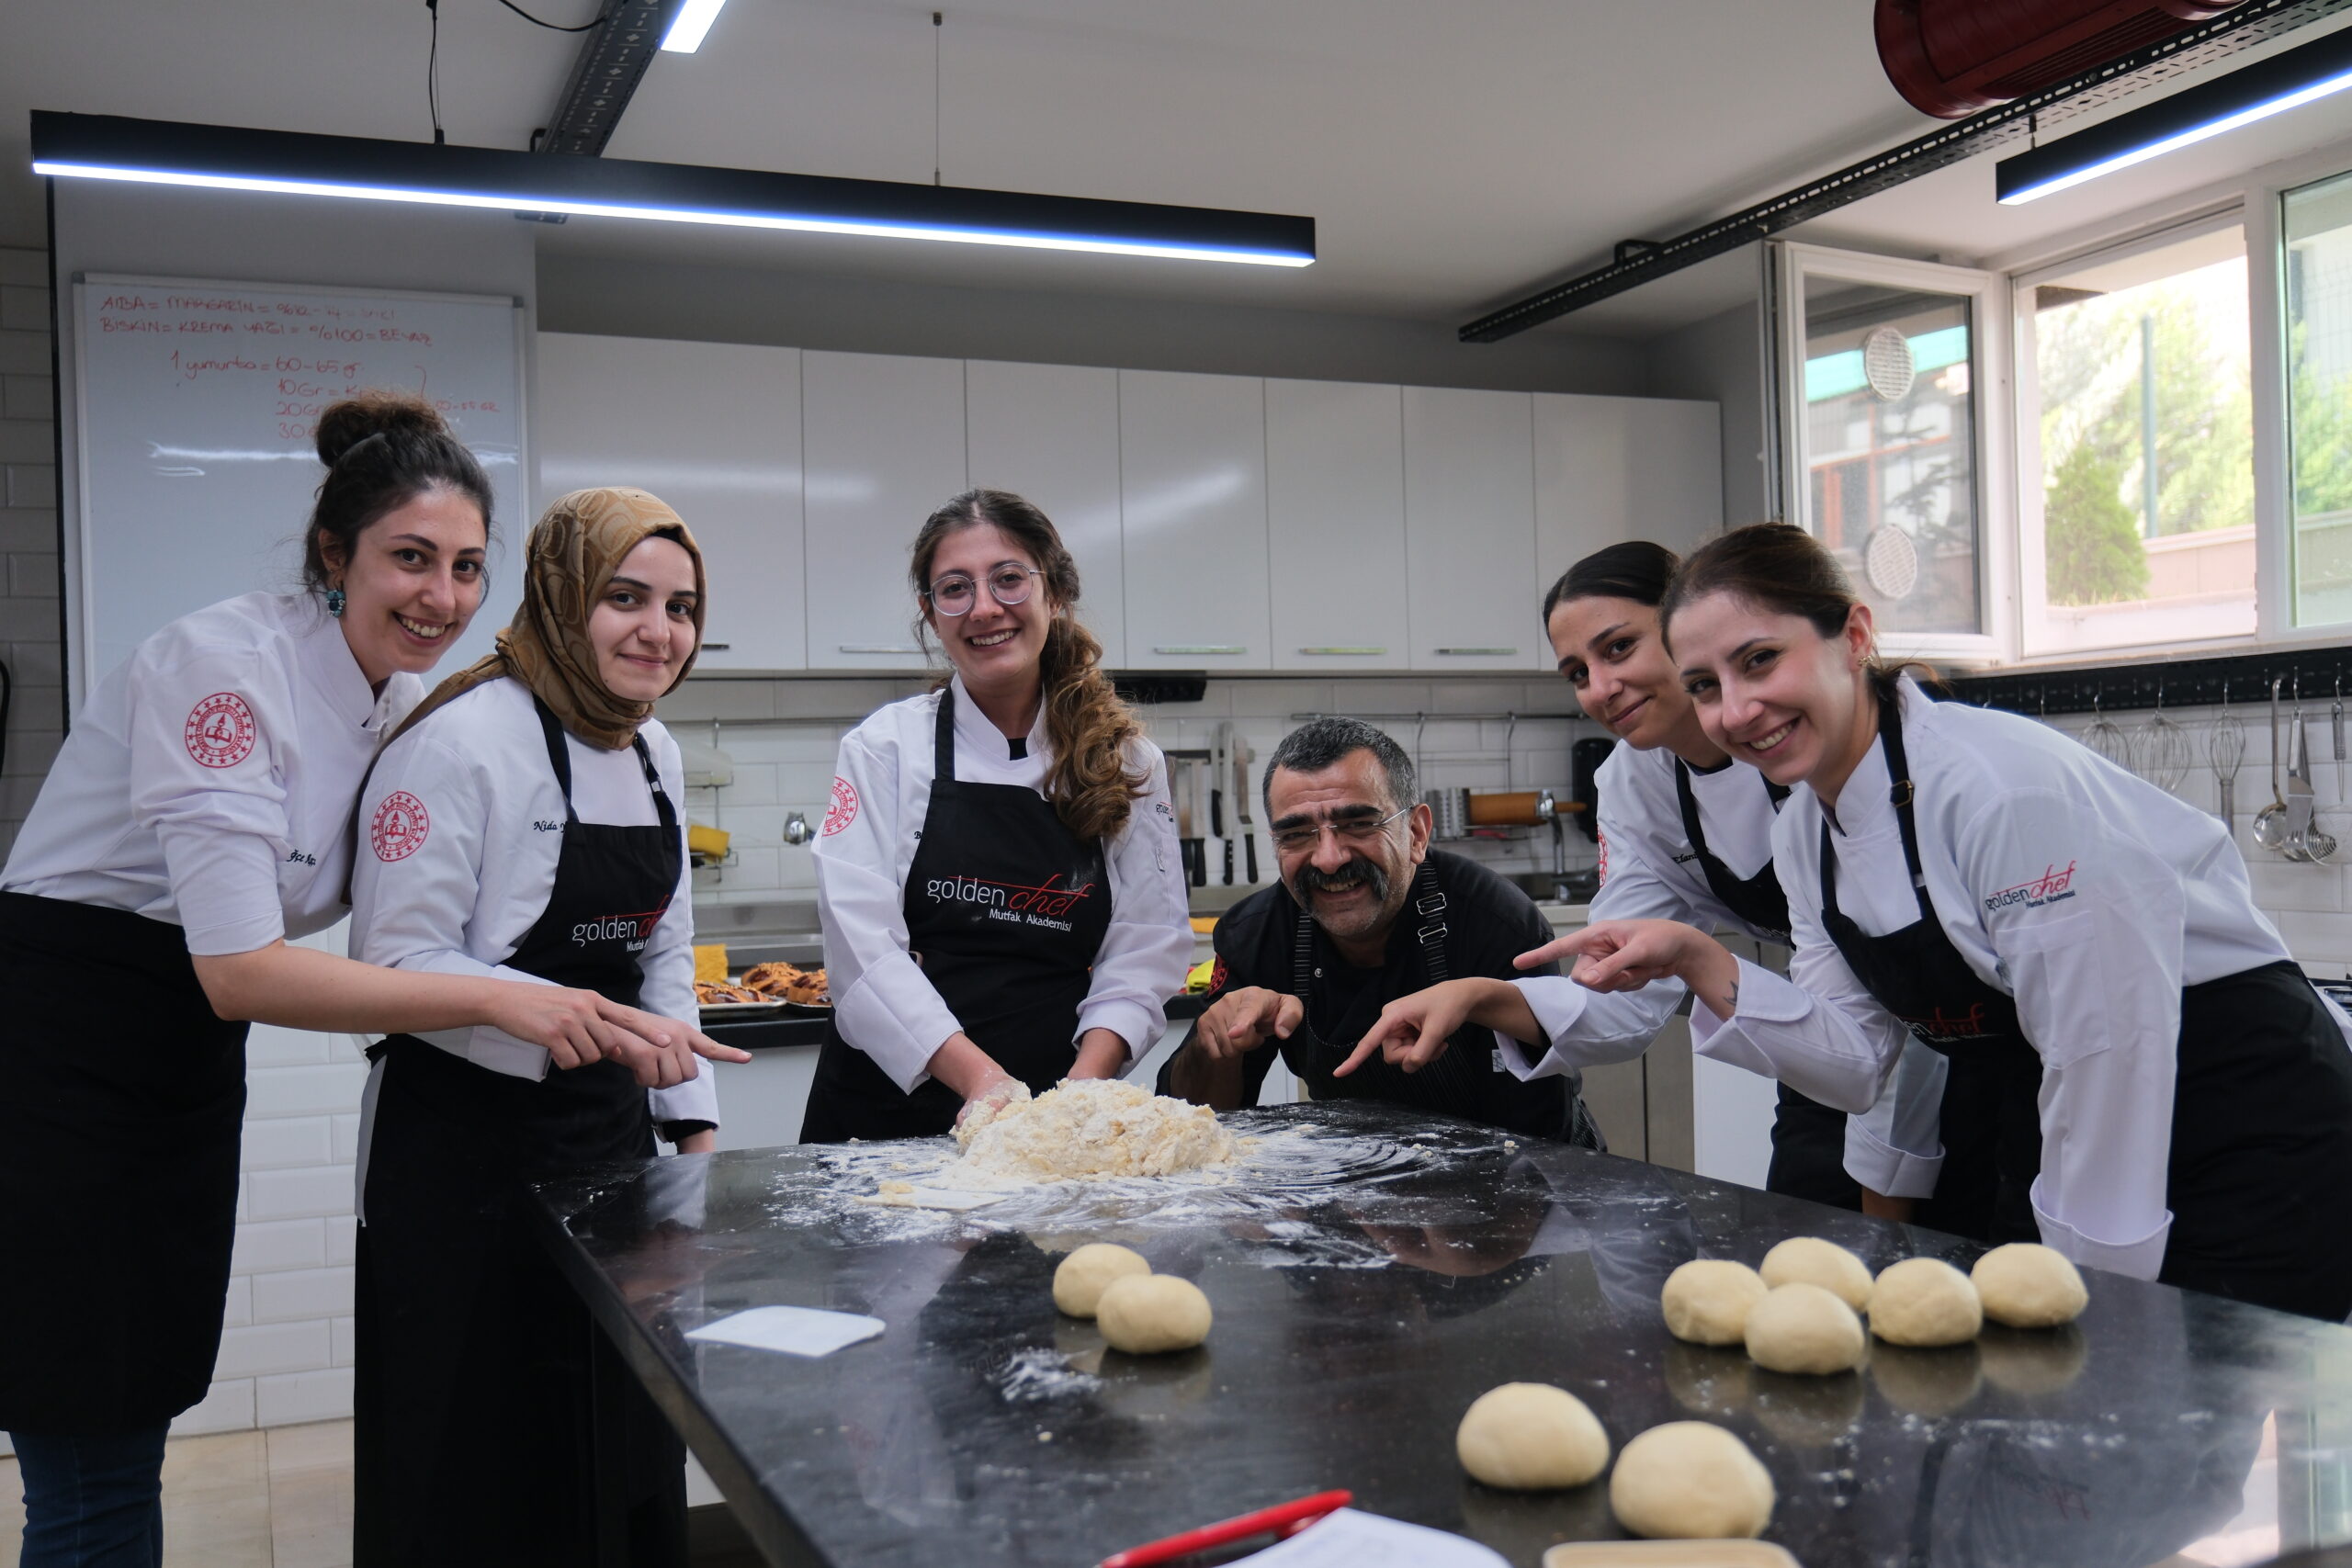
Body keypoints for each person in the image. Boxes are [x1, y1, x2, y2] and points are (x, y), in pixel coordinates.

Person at [0, 397, 723, 1567]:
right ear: (334, 555)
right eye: (409, 558)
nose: (440, 596)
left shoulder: (401, 700)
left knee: (140, 1399)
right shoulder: (221, 675)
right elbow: (239, 971)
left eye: (465, 568)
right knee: (91, 1438)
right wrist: (507, 997)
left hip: (174, 1057)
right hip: (61, 1046)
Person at [1552, 523, 2352, 1320]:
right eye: (1703, 684)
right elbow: (1854, 1059)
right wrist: (1699, 961)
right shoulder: (1805, 833)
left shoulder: (1996, 790)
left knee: (2175, 1394)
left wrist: (2098, 1298)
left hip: (2242, 1108)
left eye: (1759, 659)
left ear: (1854, 634)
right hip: (2069, 1104)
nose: (1735, 708)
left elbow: (2106, 1052)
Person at [346, 487, 746, 1565]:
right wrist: (548, 1021)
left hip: (607, 1145)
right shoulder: (462, 738)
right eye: (625, 597)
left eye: (681, 606)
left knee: (616, 1434)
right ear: (564, 598)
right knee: (479, 1457)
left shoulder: (653, 749)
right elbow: (391, 962)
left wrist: (691, 1131)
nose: (658, 631)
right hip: (461, 1158)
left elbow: (660, 953)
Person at [1340, 542, 1926, 1207]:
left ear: (1686, 624)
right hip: (1824, 1035)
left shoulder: (1823, 753)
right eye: (1576, 672)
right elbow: (1624, 996)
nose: (1598, 688)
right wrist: (1478, 996)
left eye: (1618, 648)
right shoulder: (1632, 780)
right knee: (1811, 1247)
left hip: (1941, 1028)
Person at [802, 489, 1191, 1139]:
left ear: (1056, 593)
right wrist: (982, 1082)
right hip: (882, 1119)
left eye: (1008, 579)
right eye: (954, 588)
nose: (984, 608)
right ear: (931, 615)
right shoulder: (885, 749)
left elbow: (1146, 948)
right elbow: (860, 951)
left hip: (1051, 1115)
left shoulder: (1128, 762)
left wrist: (1081, 1092)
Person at [1161, 717, 1602, 1145]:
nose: (1328, 859)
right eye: (1297, 833)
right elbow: (1195, 1125)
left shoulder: (1497, 924)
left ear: (1416, 833)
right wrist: (1212, 1044)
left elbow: (1539, 1140)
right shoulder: (1256, 935)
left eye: (1358, 824)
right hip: (1357, 1184)